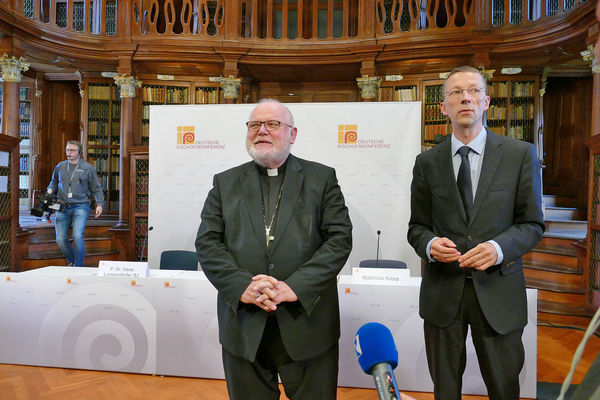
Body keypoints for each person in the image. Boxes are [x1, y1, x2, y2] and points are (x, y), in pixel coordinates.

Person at [195, 99, 352, 400]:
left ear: (292, 134)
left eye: (273, 124)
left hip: (307, 323)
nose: (262, 131)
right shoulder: (225, 183)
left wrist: (294, 287)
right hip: (244, 325)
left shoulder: (321, 179)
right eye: (254, 125)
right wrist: (242, 286)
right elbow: (207, 242)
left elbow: (339, 238)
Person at [407, 66, 545, 400]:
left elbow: (533, 225)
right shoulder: (426, 163)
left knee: (504, 388)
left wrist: (498, 248)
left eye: (473, 91)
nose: (465, 97)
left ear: (485, 101)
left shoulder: (519, 155)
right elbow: (416, 228)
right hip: (443, 294)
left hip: (498, 292)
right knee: (445, 390)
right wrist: (428, 245)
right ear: (444, 108)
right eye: (455, 92)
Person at [47, 140, 104, 266]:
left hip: (81, 206)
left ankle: (78, 267)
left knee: (77, 236)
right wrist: (50, 190)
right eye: (67, 150)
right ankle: (72, 261)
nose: (69, 152)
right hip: (62, 206)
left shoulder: (88, 168)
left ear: (79, 152)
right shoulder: (60, 166)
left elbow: (96, 188)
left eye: (72, 150)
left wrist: (99, 204)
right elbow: (54, 182)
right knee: (60, 239)